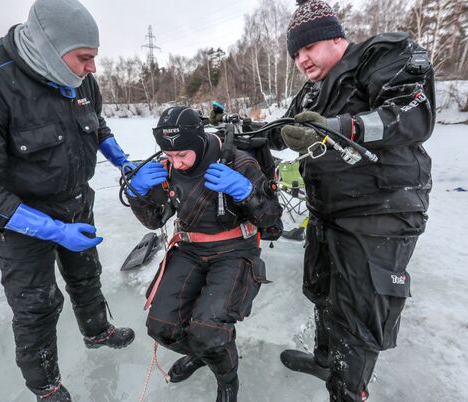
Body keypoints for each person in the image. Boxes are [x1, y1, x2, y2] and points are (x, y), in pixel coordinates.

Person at [0, 0, 135, 400]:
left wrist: (125, 164)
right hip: (17, 218)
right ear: (48, 47)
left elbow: (98, 126)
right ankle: (46, 385)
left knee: (86, 275)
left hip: (76, 200)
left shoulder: (78, 78)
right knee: (38, 303)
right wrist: (52, 230)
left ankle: (97, 332)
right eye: (85, 57)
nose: (93, 68)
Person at [278, 1, 435, 401]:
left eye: (307, 48)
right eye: (295, 54)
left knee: (358, 315)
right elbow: (283, 132)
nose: (302, 60)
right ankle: (325, 360)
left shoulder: (381, 56)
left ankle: (348, 391)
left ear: (334, 37)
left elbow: (410, 115)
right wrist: (231, 137)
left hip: (381, 211)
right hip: (329, 212)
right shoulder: (311, 91)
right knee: (322, 291)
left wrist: (339, 127)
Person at [126, 106, 282, 402]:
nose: (176, 163)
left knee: (208, 330)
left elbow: (272, 219)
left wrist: (247, 192)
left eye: (182, 155)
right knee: (162, 328)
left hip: (235, 248)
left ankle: (227, 380)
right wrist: (138, 195)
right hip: (191, 248)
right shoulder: (169, 167)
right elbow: (154, 220)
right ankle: (205, 356)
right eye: (170, 156)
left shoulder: (238, 162)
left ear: (197, 142)